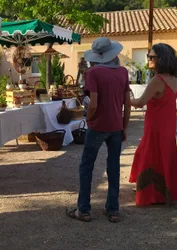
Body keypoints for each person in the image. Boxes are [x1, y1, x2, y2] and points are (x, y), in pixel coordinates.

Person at [66, 37, 131, 223]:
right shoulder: (123, 72)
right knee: (114, 167)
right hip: (116, 127)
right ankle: (113, 210)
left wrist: (89, 119)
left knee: (87, 166)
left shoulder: (93, 73)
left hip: (98, 127)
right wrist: (124, 127)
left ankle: (84, 210)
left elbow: (92, 103)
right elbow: (127, 103)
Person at [129, 43, 177, 206]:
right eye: (148, 56)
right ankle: (163, 191)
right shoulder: (173, 78)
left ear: (161, 59)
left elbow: (139, 102)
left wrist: (124, 99)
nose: (149, 59)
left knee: (151, 155)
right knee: (161, 154)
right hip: (167, 125)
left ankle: (150, 193)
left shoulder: (156, 80)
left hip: (156, 125)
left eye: (152, 57)